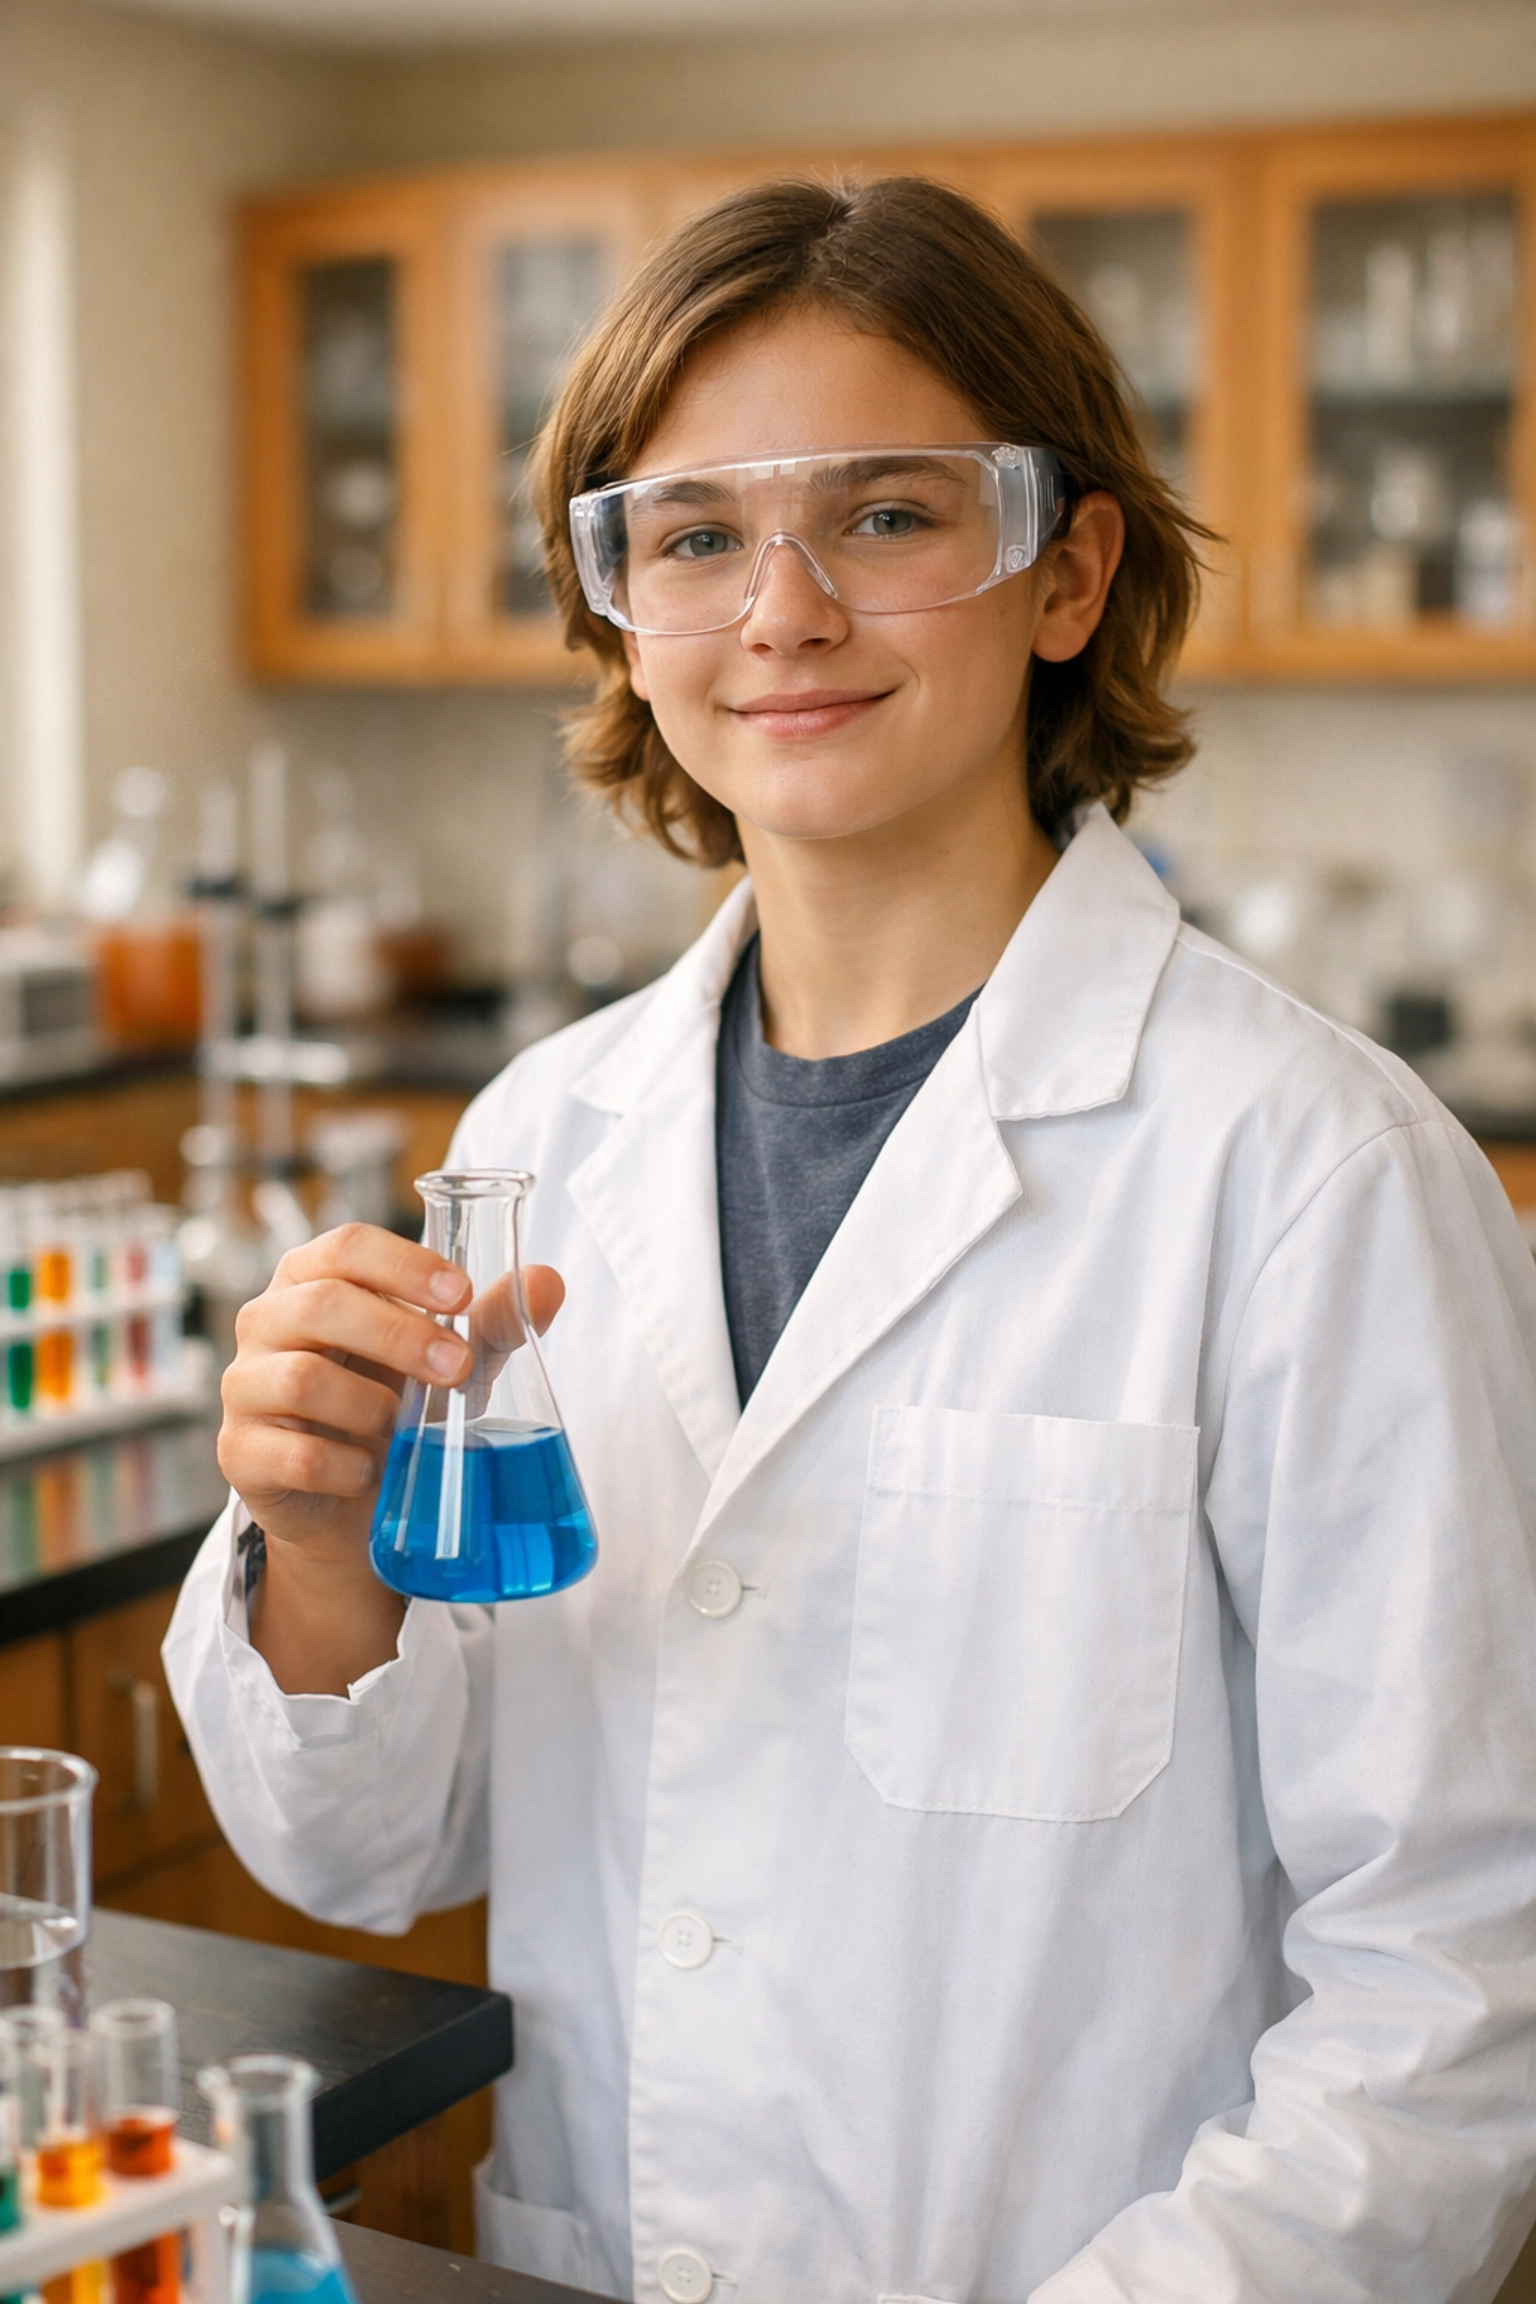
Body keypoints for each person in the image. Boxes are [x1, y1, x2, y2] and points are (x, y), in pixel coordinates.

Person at [166, 177, 1536, 2304]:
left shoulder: (1315, 1179)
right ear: (621, 606)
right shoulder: (546, 1137)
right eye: (695, 533)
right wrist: (323, 1552)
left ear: (1066, 569)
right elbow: (375, 1850)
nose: (780, 610)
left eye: (889, 517)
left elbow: (1462, 1996)